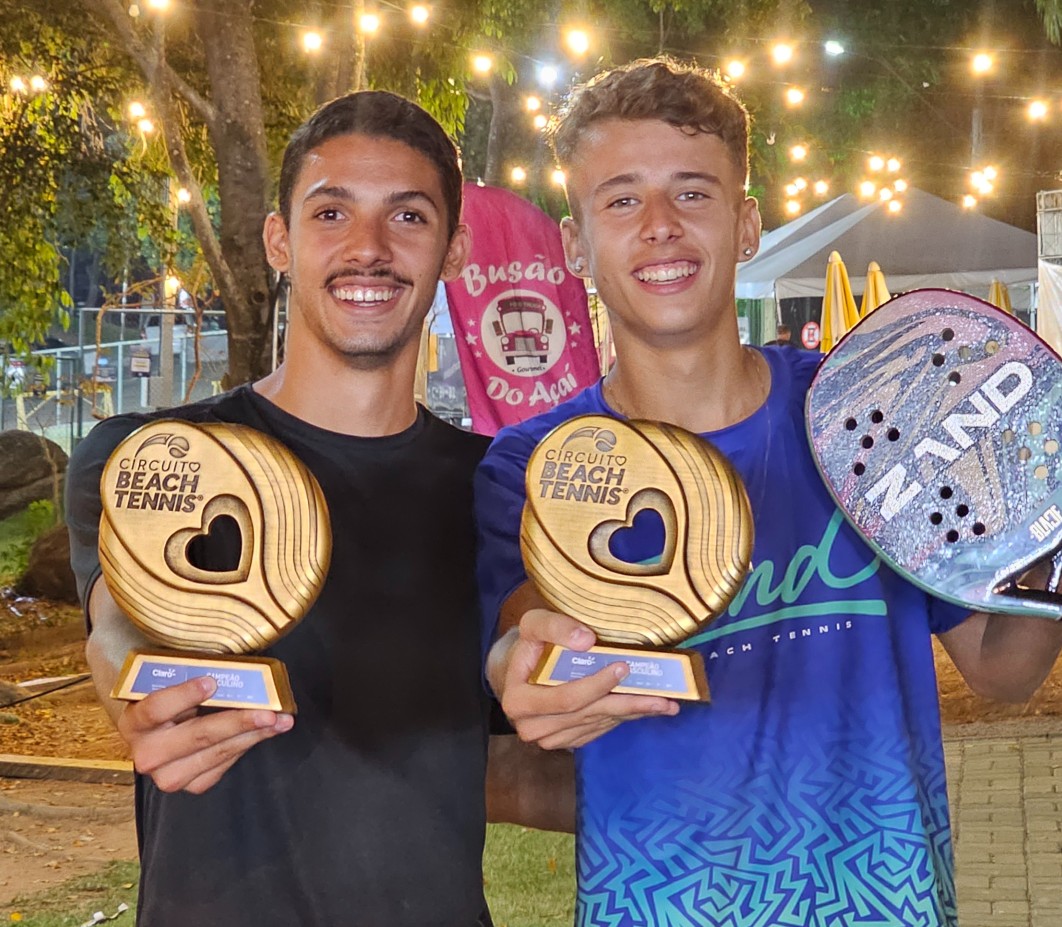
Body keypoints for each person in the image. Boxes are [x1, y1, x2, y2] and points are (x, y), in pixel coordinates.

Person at [474, 58, 1062, 927]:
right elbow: (519, 645)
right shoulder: (539, 465)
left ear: (747, 223)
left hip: (888, 901)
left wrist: (1046, 534)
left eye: (694, 193)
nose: (661, 227)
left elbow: (1004, 671)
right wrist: (525, 670)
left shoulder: (870, 416)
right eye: (622, 199)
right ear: (574, 241)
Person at [67, 90, 567, 927]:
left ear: (454, 249)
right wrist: (135, 691)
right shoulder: (153, 457)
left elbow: (504, 764)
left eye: (408, 216)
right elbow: (118, 624)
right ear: (279, 240)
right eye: (331, 211)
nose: (367, 249)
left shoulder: (498, 489)